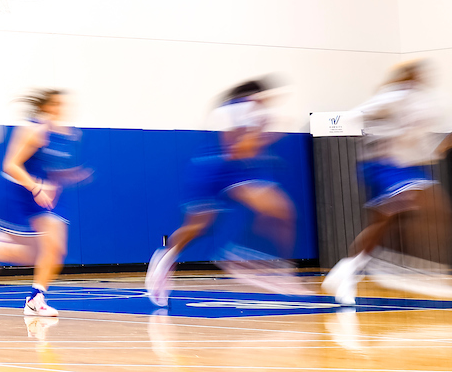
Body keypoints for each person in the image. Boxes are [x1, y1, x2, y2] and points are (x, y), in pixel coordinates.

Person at [145, 79, 297, 306]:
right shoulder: (247, 108)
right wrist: (263, 142)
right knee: (281, 211)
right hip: (220, 168)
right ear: (257, 94)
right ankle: (246, 258)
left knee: (200, 226)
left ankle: (166, 257)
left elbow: (239, 145)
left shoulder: (235, 110)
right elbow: (239, 149)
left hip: (214, 169)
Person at [0, 89, 89, 318]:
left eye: (61, 105)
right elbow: (11, 165)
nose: (59, 109)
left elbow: (51, 168)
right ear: (44, 107)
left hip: (50, 194)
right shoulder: (33, 130)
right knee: (46, 249)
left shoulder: (66, 134)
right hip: (22, 190)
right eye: (55, 105)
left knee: (50, 252)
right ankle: (33, 296)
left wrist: (70, 175)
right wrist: (35, 187)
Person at [323, 60, 452, 305]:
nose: (421, 77)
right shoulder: (393, 96)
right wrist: (381, 132)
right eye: (416, 73)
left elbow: (423, 148)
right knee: (418, 205)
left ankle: (349, 269)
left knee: (421, 212)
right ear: (406, 76)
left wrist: (445, 143)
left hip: (407, 167)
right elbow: (357, 115)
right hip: (383, 165)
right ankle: (362, 269)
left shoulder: (423, 104)